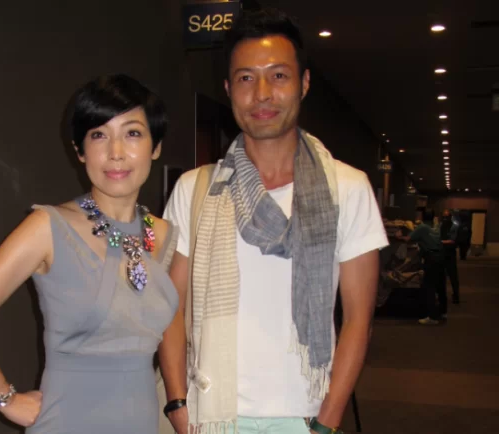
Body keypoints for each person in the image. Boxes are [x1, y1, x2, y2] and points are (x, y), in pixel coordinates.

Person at [159, 9, 388, 434]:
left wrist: (327, 421)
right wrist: (177, 404)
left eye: (278, 76)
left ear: (304, 83)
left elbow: (359, 318)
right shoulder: (195, 190)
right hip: (212, 414)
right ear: (228, 89)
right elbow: (170, 304)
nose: (262, 94)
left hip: (305, 416)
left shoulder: (348, 188)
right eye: (246, 78)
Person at [0, 74, 180, 434]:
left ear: (156, 146)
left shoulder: (163, 234)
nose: (116, 152)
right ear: (80, 151)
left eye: (132, 133)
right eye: (98, 135)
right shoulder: (49, 227)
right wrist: (4, 399)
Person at [396, 209, 446, 325]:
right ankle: (442, 312)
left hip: (431, 258)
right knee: (440, 285)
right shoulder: (437, 226)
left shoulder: (422, 228)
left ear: (422, 217)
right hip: (440, 257)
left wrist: (399, 237)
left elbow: (408, 239)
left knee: (429, 287)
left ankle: (432, 317)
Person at [440, 209, 460, 304]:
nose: (445, 219)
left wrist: (440, 242)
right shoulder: (441, 225)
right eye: (444, 217)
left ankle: (456, 295)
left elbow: (452, 241)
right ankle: (443, 295)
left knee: (453, 276)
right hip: (442, 253)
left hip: (450, 253)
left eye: (446, 217)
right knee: (441, 276)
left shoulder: (454, 227)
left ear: (450, 217)